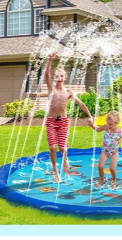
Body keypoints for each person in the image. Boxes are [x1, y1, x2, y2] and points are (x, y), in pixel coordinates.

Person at [44, 52, 94, 182]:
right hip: (51, 122)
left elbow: (81, 104)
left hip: (64, 122)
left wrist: (90, 116)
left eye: (61, 75)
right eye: (56, 76)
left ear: (65, 77)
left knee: (63, 148)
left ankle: (65, 159)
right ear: (54, 78)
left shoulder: (69, 92)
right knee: (53, 147)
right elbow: (46, 75)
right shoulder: (51, 89)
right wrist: (50, 60)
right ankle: (56, 172)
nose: (59, 77)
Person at [91, 110, 122, 189]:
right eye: (108, 123)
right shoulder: (106, 127)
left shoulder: (120, 132)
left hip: (114, 152)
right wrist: (91, 125)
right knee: (100, 167)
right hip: (105, 151)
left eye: (111, 124)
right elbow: (98, 129)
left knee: (112, 169)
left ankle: (114, 181)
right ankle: (102, 179)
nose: (109, 125)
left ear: (117, 123)